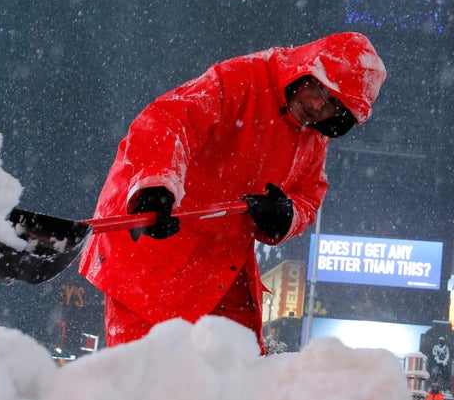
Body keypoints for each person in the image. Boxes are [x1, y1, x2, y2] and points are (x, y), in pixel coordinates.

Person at [79, 32, 387, 354]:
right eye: (319, 88)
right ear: (305, 68)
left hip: (220, 263)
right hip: (151, 250)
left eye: (333, 104)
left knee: (238, 378)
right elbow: (170, 119)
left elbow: (310, 194)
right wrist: (156, 184)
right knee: (148, 380)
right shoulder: (242, 79)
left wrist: (286, 215)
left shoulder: (313, 136)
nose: (316, 105)